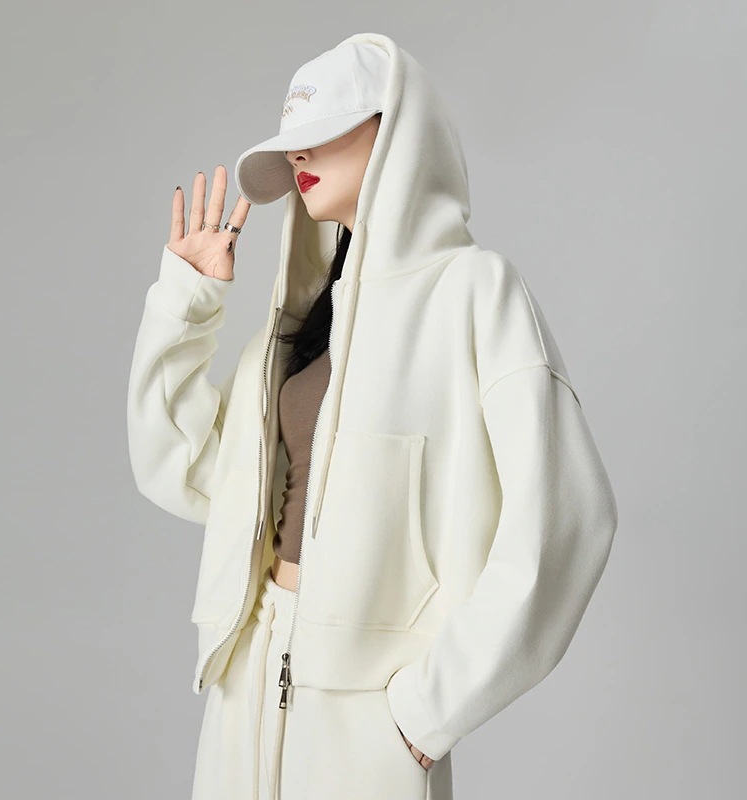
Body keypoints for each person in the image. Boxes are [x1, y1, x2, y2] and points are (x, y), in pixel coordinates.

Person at [126, 31, 618, 800]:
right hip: (247, 676)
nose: (299, 155)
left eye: (323, 133)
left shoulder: (474, 293)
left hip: (366, 715)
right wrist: (188, 303)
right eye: (291, 143)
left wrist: (428, 711)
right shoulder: (305, 323)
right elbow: (186, 470)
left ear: (399, 130)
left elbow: (567, 520)